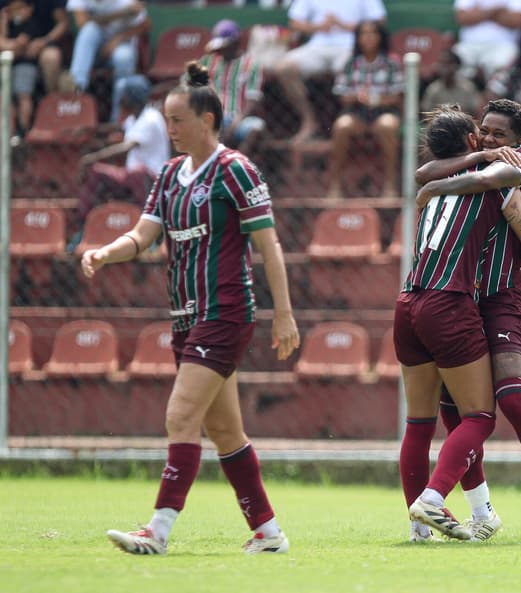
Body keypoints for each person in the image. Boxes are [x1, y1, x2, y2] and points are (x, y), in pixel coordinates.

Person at [81, 61, 300, 555]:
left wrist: (283, 313)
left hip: (225, 311)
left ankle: (156, 530)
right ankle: (268, 533)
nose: (169, 128)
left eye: (177, 119)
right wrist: (104, 251)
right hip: (185, 316)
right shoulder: (168, 174)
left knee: (180, 416)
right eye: (166, 119)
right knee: (224, 430)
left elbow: (269, 246)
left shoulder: (236, 170)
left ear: (207, 120)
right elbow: (143, 235)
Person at [415, 99, 521, 543]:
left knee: (517, 402)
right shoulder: (472, 163)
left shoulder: (517, 162)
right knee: (459, 411)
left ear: (518, 142)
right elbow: (423, 176)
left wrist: (448, 188)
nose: (489, 139)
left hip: (503, 299)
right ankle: (481, 511)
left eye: (499, 134)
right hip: (463, 300)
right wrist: (469, 164)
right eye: (484, 130)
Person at [396, 105, 521, 542]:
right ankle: (432, 500)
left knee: (419, 422)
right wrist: (485, 159)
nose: (491, 142)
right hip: (447, 303)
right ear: (472, 142)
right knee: (479, 416)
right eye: (483, 135)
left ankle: (421, 528)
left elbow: (426, 175)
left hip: (408, 302)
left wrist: (439, 181)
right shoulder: (500, 172)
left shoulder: (437, 187)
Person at [73, 75, 167, 248]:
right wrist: (90, 129)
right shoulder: (135, 117)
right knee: (96, 172)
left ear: (132, 98)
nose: (120, 99)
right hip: (131, 177)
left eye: (123, 95)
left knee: (136, 173)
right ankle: (85, 227)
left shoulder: (151, 118)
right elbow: (118, 127)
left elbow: (126, 146)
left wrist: (91, 158)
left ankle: (150, 238)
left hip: (152, 180)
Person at [275, 0, 386, 142]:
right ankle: (309, 121)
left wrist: (342, 24)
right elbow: (295, 22)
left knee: (350, 68)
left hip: (351, 47)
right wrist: (319, 26)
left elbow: (379, 20)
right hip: (317, 46)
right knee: (284, 68)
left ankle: (349, 122)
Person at [326, 20, 403, 199]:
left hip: (385, 111)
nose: (367, 37)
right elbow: (342, 95)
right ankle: (335, 186)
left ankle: (389, 185)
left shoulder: (391, 63)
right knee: (342, 126)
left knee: (388, 126)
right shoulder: (350, 63)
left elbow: (397, 96)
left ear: (380, 37)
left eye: (372, 33)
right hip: (356, 112)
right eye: (363, 33)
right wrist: (357, 97)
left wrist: (375, 99)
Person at [65, 0, 148, 122]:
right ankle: (77, 89)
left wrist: (118, 39)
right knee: (89, 30)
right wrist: (120, 14)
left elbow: (146, 25)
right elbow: (81, 23)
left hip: (119, 46)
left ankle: (118, 117)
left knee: (123, 57)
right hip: (93, 52)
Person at [0, 0, 68, 137]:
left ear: (30, 9)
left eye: (21, 8)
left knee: (23, 96)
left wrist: (43, 42)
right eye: (13, 9)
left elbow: (63, 23)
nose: (17, 12)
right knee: (5, 99)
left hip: (27, 63)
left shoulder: (32, 24)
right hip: (7, 61)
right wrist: (4, 23)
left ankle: (24, 129)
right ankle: (8, 134)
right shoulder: (7, 18)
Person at [200, 19, 267, 156]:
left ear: (235, 42)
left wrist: (238, 120)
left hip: (240, 117)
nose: (221, 50)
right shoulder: (209, 62)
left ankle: (237, 168)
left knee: (256, 128)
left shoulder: (251, 65)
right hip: (214, 117)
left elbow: (253, 99)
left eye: (224, 46)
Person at [454, 0, 521, 84]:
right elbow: (462, 18)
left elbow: (517, 21)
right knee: (454, 59)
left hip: (504, 45)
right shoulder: (498, 9)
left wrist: (479, 12)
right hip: (468, 45)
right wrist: (496, 11)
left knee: (503, 66)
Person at [419, 48, 482, 115]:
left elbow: (476, 110)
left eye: (448, 63)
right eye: (441, 63)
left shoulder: (468, 88)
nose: (444, 67)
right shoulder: (433, 89)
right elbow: (426, 112)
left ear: (456, 65)